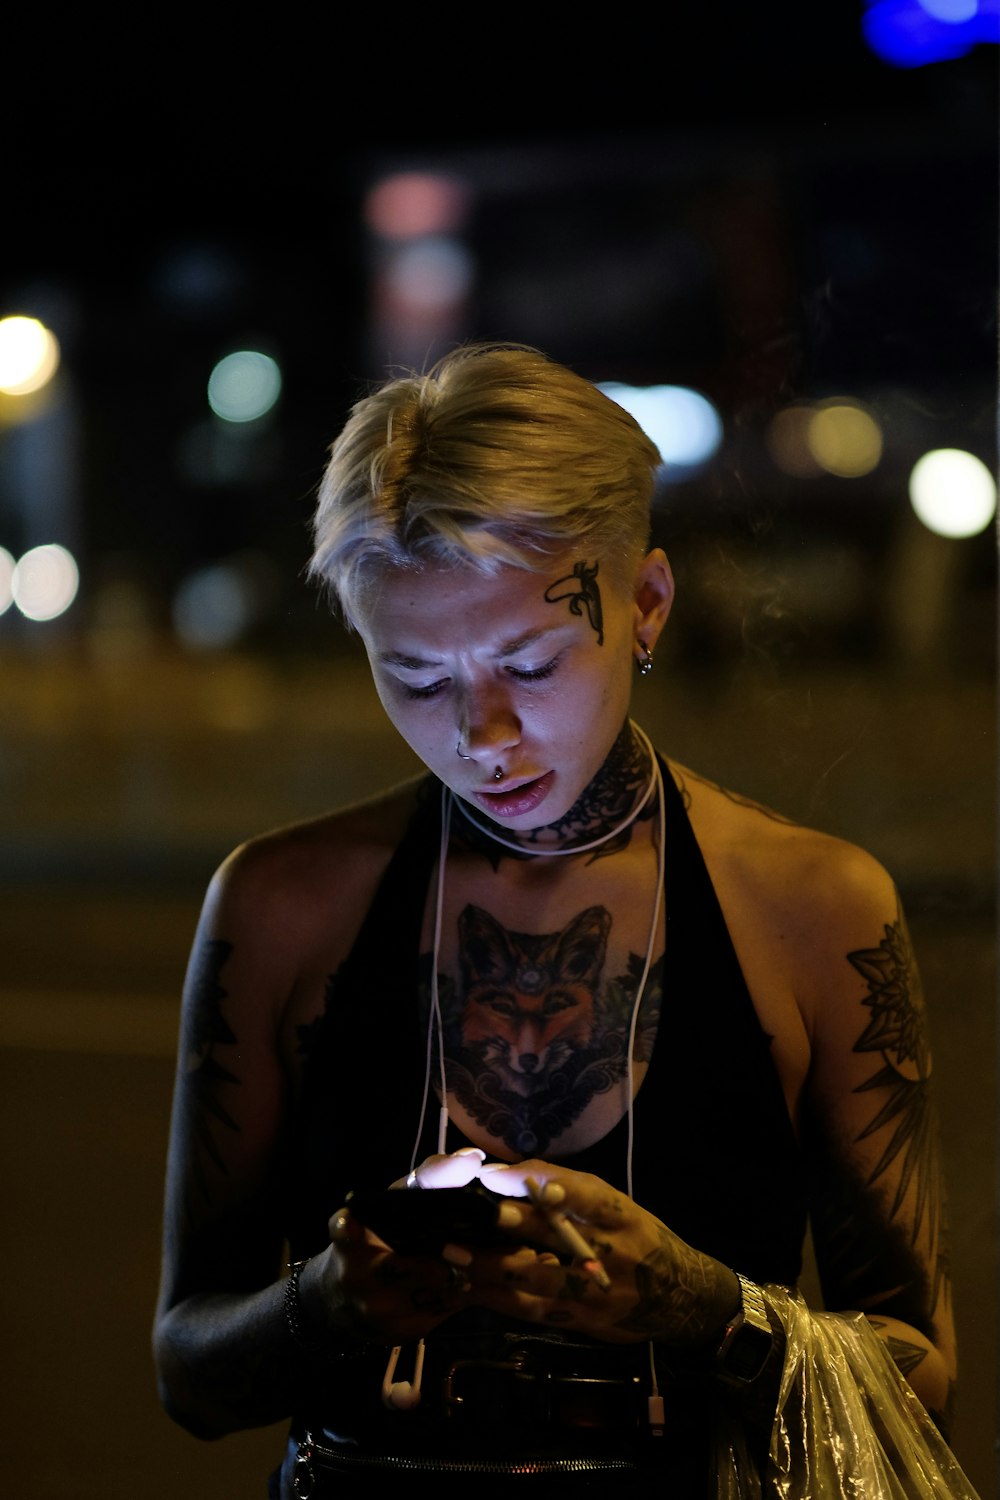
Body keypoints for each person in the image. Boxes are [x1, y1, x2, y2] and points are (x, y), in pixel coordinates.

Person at [153, 341, 978, 1498]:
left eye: (529, 664)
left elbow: (919, 1378)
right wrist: (329, 1305)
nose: (480, 735)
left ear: (643, 602)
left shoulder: (812, 908)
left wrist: (698, 1307)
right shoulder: (282, 906)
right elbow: (189, 1372)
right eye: (417, 678)